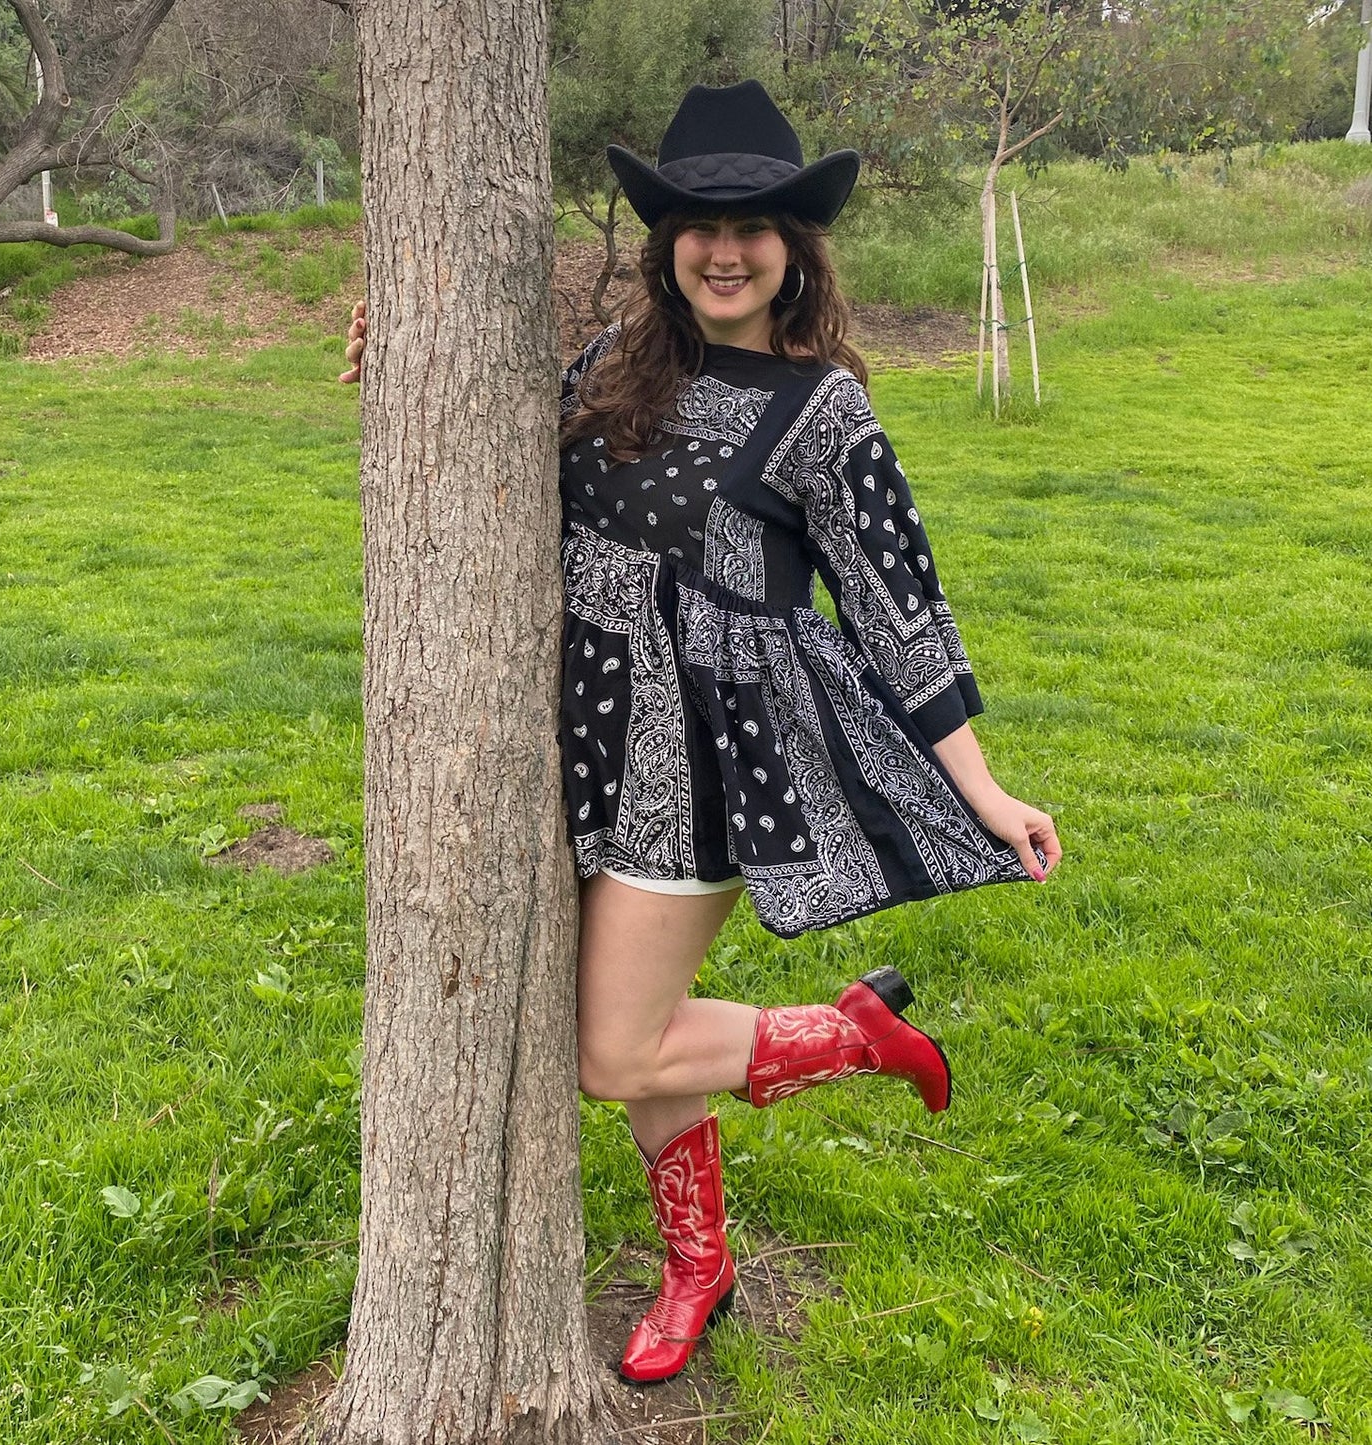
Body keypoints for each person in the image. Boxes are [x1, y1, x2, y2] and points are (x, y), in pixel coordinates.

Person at [343, 80, 1060, 1387]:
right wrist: (407, 354)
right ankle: (697, 1263)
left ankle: (851, 1034)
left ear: (796, 245)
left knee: (611, 1046)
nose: (725, 249)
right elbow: (487, 462)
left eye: (757, 225)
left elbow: (901, 608)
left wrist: (983, 783)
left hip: (705, 766)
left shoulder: (822, 410)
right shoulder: (606, 366)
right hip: (566, 749)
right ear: (666, 237)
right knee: (637, 1023)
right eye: (698, 223)